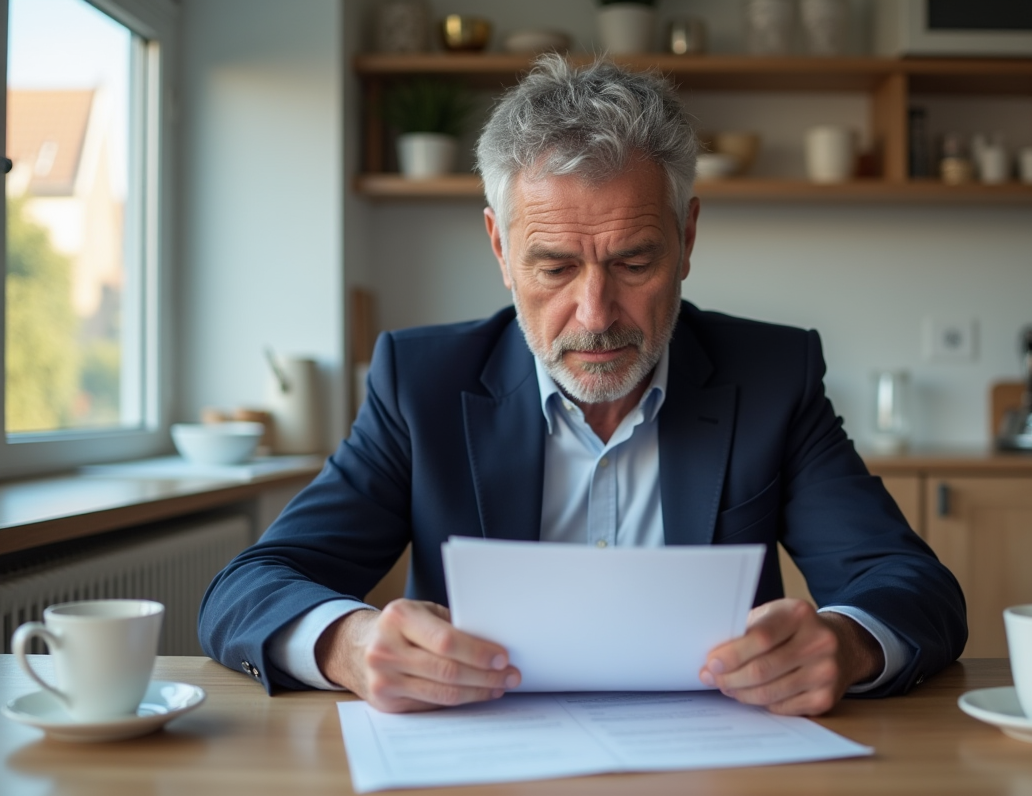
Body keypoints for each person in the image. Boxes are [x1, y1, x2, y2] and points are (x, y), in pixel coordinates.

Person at [199, 55, 966, 717]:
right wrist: (349, 641)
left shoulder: (771, 377)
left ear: (687, 238)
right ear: (500, 248)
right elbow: (250, 586)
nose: (595, 315)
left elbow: (911, 586)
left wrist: (851, 643)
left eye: (634, 263)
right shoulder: (420, 384)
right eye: (555, 267)